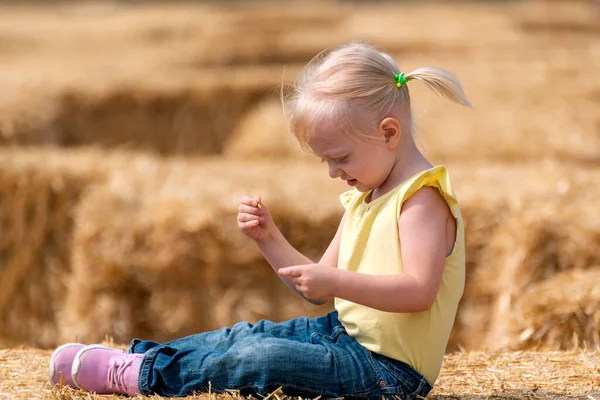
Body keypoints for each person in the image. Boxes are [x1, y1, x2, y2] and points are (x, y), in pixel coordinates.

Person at [49, 42, 469, 399]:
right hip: (342, 335)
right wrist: (269, 238)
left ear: (389, 133)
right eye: (325, 160)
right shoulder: (366, 196)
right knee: (245, 335)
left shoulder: (421, 201)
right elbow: (315, 284)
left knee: (263, 359)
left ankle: (140, 378)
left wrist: (336, 283)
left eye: (339, 158)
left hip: (388, 375)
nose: (331, 172)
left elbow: (419, 292)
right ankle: (142, 358)